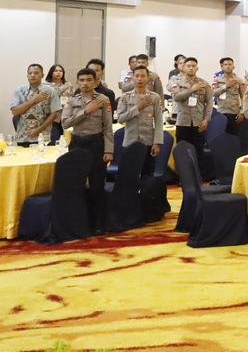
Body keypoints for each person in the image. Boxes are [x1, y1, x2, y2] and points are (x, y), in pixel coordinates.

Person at [60, 67, 113, 233]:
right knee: (76, 184)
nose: (85, 83)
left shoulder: (103, 100)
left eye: (89, 80)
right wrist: (85, 111)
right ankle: (79, 223)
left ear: (95, 82)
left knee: (97, 185)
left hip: (96, 144)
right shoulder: (72, 101)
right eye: (82, 80)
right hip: (77, 143)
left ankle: (98, 224)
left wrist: (109, 150)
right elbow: (65, 123)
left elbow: (108, 127)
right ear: (77, 82)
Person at [115, 66, 164, 174]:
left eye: (143, 76)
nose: (140, 79)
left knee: (148, 175)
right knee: (129, 174)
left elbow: (159, 122)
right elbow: (120, 119)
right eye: (137, 76)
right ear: (132, 78)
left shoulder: (155, 97)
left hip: (148, 142)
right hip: (130, 142)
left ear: (148, 78)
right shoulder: (125, 97)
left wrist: (157, 143)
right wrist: (138, 107)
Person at [170, 57, 214, 178]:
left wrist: (206, 119)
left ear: (197, 68)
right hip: (182, 122)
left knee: (198, 151)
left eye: (193, 66)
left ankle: (197, 177)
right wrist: (192, 90)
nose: (191, 68)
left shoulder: (204, 83)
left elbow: (209, 102)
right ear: (184, 68)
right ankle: (182, 178)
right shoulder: (177, 83)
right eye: (188, 66)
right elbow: (177, 97)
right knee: (182, 151)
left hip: (198, 122)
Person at [10, 63, 61, 145]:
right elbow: (15, 112)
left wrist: (38, 130)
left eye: (36, 73)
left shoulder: (50, 91)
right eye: (30, 73)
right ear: (27, 75)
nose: (32, 75)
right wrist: (32, 100)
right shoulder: (20, 90)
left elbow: (54, 113)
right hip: (23, 137)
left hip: (44, 137)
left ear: (42, 75)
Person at [212, 57, 246, 138]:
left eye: (230, 64)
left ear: (233, 66)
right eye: (225, 64)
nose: (228, 66)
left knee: (233, 137)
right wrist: (226, 86)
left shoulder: (239, 80)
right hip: (221, 112)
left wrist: (242, 112)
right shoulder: (217, 80)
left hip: (234, 113)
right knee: (220, 137)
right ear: (222, 67)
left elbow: (244, 97)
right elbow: (213, 93)